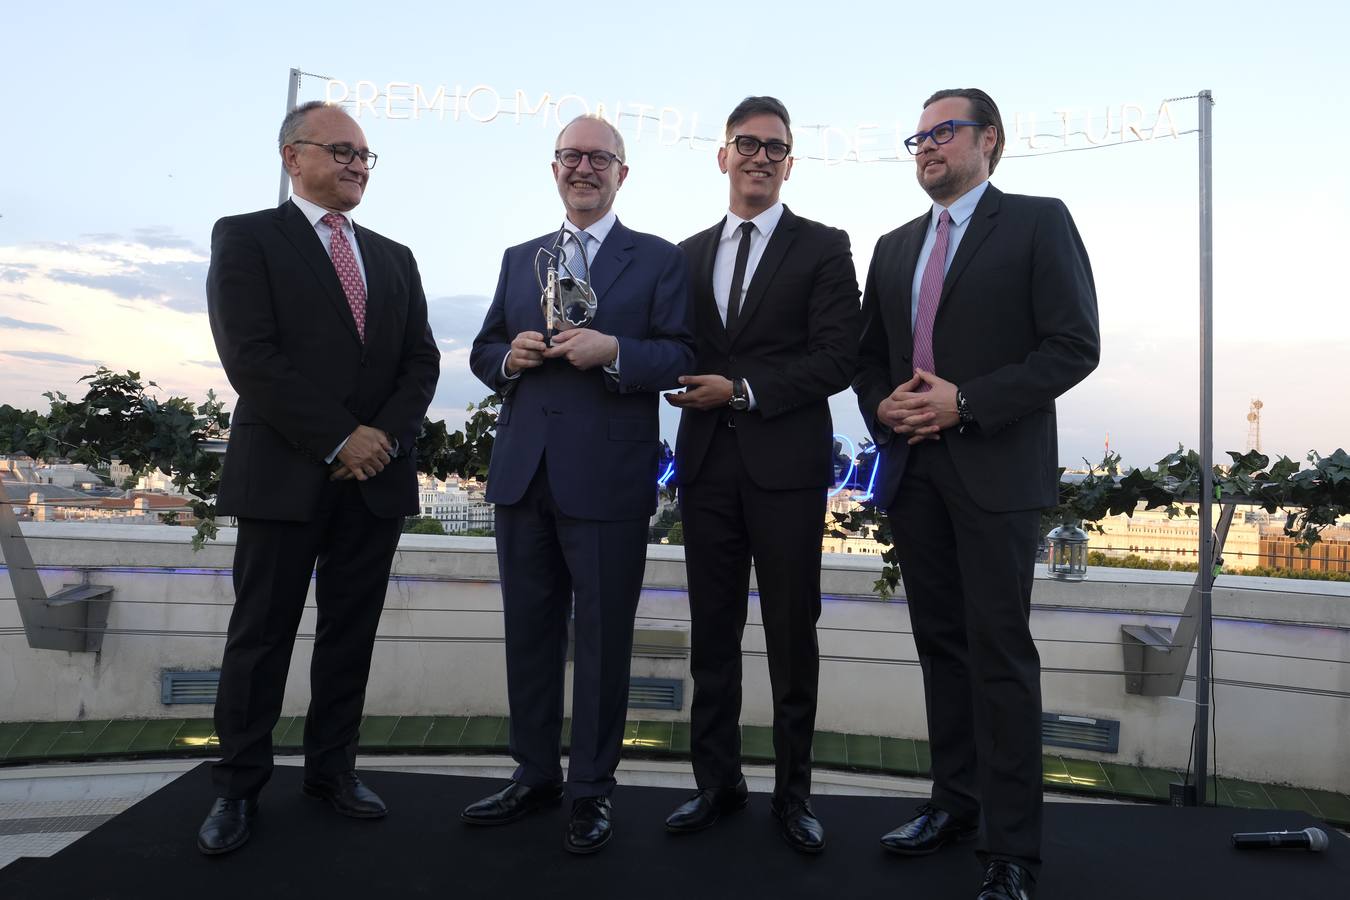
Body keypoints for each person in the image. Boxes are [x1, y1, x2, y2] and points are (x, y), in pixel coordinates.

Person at [852, 88, 1100, 900]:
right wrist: (881, 404)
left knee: (1000, 659)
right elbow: (868, 358)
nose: (926, 146)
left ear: (988, 141)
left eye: (942, 132)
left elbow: (1074, 345)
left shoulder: (1037, 221)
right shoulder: (892, 247)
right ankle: (953, 807)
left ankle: (1012, 849)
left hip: (996, 472)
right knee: (941, 651)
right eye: (916, 136)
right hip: (916, 475)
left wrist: (970, 401)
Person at [199, 100, 440, 855]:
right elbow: (251, 356)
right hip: (283, 477)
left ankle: (331, 772)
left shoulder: (395, 256)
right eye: (341, 151)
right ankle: (238, 789)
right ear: (291, 155)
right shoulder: (246, 237)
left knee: (349, 637)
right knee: (260, 637)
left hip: (374, 481)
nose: (357, 165)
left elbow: (421, 362)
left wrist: (378, 441)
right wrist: (340, 437)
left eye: (366, 156)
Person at [464, 114, 695, 854]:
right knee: (528, 636)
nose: (584, 167)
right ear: (554, 168)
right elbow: (482, 350)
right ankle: (533, 774)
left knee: (602, 644)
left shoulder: (659, 260)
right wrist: (513, 356)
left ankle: (591, 789)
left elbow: (682, 355)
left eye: (600, 157)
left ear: (622, 173)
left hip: (608, 478)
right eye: (571, 156)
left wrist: (615, 349)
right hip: (522, 476)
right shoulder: (517, 258)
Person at [663, 96, 858, 854]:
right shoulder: (684, 253)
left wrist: (743, 391)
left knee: (789, 638)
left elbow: (837, 357)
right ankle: (716, 787)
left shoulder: (824, 247)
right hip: (707, 469)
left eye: (775, 147)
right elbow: (668, 345)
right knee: (711, 636)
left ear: (788, 163)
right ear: (723, 156)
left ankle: (793, 795)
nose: (759, 156)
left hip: (786, 473)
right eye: (747, 143)